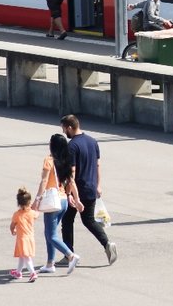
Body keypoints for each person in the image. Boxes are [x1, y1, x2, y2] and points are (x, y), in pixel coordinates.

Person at [59, 114, 118, 265]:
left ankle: (69, 255)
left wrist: (68, 192)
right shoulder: (92, 141)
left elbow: (71, 171)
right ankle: (107, 244)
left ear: (70, 127)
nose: (64, 132)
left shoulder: (72, 146)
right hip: (91, 187)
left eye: (64, 129)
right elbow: (97, 165)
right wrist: (98, 185)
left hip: (77, 189)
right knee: (89, 220)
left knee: (67, 220)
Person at [34, 134, 81, 275]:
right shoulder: (66, 161)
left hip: (52, 201)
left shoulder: (49, 160)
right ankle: (50, 263)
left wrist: (37, 198)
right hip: (63, 200)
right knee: (49, 232)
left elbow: (44, 181)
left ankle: (71, 255)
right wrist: (77, 199)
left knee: (51, 235)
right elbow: (71, 182)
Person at [10, 188, 39, 282]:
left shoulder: (17, 214)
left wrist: (12, 230)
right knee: (22, 256)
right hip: (30, 238)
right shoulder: (32, 213)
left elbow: (12, 225)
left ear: (18, 203)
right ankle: (18, 272)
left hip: (22, 239)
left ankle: (32, 272)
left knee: (26, 257)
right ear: (29, 202)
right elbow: (36, 214)